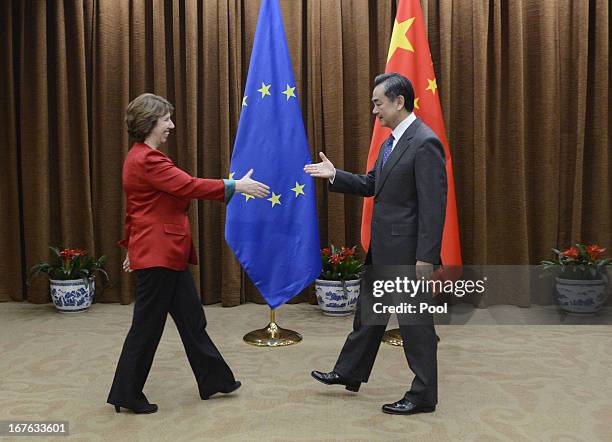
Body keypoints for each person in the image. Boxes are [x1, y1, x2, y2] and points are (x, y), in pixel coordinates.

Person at [107, 93, 270, 414]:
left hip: (163, 252)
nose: (171, 125)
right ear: (150, 122)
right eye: (166, 119)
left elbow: (136, 210)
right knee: (147, 327)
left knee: (191, 319)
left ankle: (214, 379)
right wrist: (235, 186)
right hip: (159, 254)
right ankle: (125, 393)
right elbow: (188, 185)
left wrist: (131, 245)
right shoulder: (148, 160)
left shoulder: (138, 157)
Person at [304, 73, 447, 415]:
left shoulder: (425, 142)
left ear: (399, 102)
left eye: (378, 103)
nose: (374, 111)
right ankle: (350, 372)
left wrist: (426, 257)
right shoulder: (390, 142)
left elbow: (433, 205)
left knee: (416, 328)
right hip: (382, 249)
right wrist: (336, 175)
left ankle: (424, 394)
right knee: (368, 316)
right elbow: (372, 185)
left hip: (409, 255)